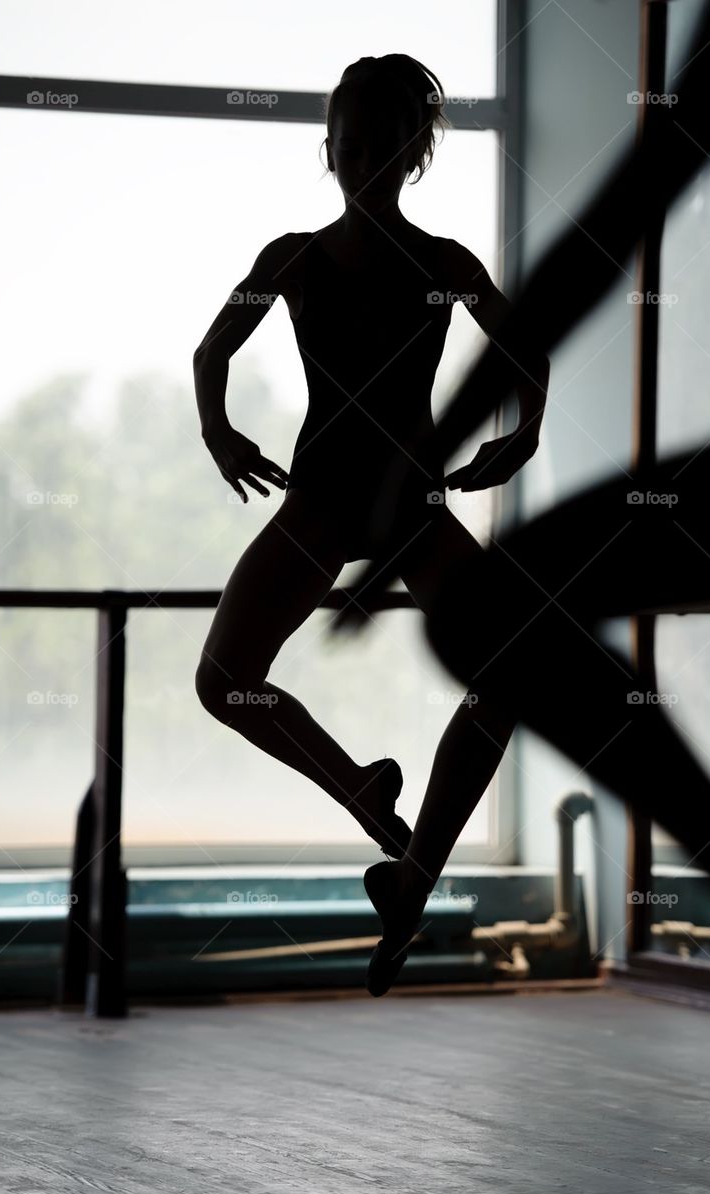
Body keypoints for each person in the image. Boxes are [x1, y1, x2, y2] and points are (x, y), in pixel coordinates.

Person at [334, 0, 710, 997]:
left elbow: (593, 248)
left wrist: (418, 465)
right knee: (484, 615)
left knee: (484, 614)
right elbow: (580, 260)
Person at [192, 55, 545, 913]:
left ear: (413, 154)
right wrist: (219, 433)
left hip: (409, 507)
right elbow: (211, 353)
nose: (366, 163)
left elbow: (524, 346)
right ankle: (361, 791)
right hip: (322, 499)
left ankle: (417, 863)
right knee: (223, 680)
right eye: (352, 147)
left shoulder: (442, 261)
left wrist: (525, 434)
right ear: (329, 149)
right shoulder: (294, 258)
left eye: (385, 148)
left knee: (510, 675)